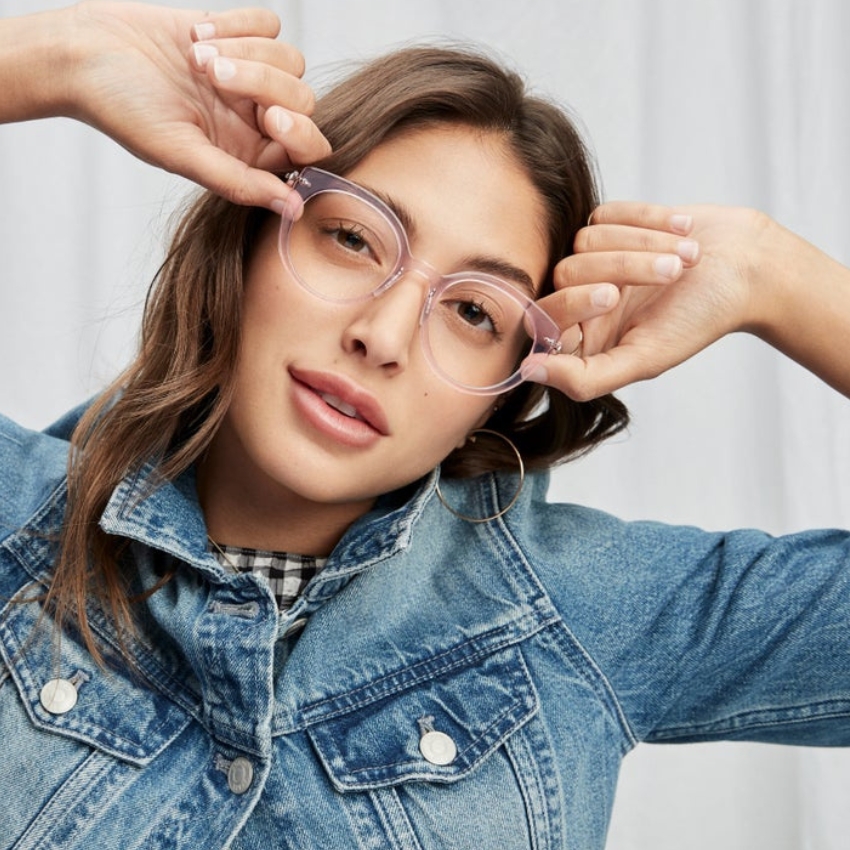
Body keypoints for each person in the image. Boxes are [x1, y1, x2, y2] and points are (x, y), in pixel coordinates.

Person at [0, 3, 848, 849]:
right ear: (251, 239)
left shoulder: (582, 612)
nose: (384, 336)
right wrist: (49, 57)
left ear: (505, 389)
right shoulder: (19, 525)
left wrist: (775, 275)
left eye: (475, 312)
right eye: (355, 240)